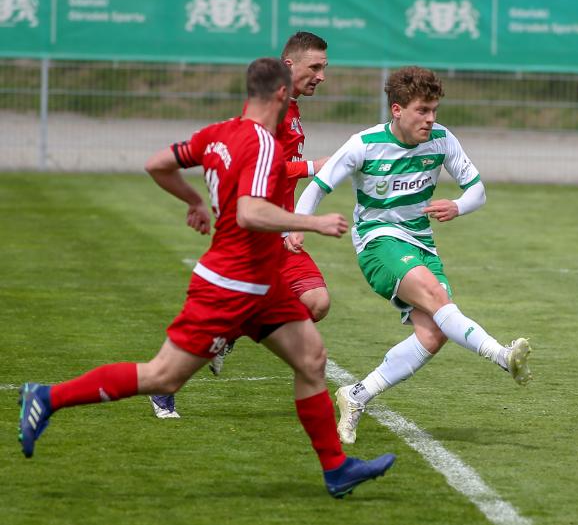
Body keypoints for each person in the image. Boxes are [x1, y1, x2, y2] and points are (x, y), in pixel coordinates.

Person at [18, 58, 395, 498]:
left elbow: (157, 163)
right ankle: (46, 397)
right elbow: (249, 212)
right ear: (279, 94)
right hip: (230, 285)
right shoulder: (263, 143)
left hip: (263, 281)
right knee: (163, 376)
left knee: (311, 359)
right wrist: (310, 223)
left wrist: (195, 201)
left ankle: (336, 469)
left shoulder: (216, 133)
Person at [292, 65, 532, 445]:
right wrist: (297, 225)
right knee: (438, 300)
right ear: (398, 110)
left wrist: (457, 205)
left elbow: (477, 191)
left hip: (421, 243)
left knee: (434, 333)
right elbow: (318, 186)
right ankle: (502, 356)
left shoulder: (441, 139)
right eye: (423, 110)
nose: (431, 119)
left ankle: (356, 395)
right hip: (378, 242)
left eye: (434, 109)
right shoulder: (364, 144)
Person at [150, 31, 334, 418]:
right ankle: (164, 386)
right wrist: (312, 168)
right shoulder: (271, 114)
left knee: (317, 302)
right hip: (257, 233)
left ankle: (233, 333)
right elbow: (263, 165)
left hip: (281, 230)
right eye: (315, 67)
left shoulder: (292, 110)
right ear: (289, 66)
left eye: (324, 68)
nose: (321, 75)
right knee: (227, 324)